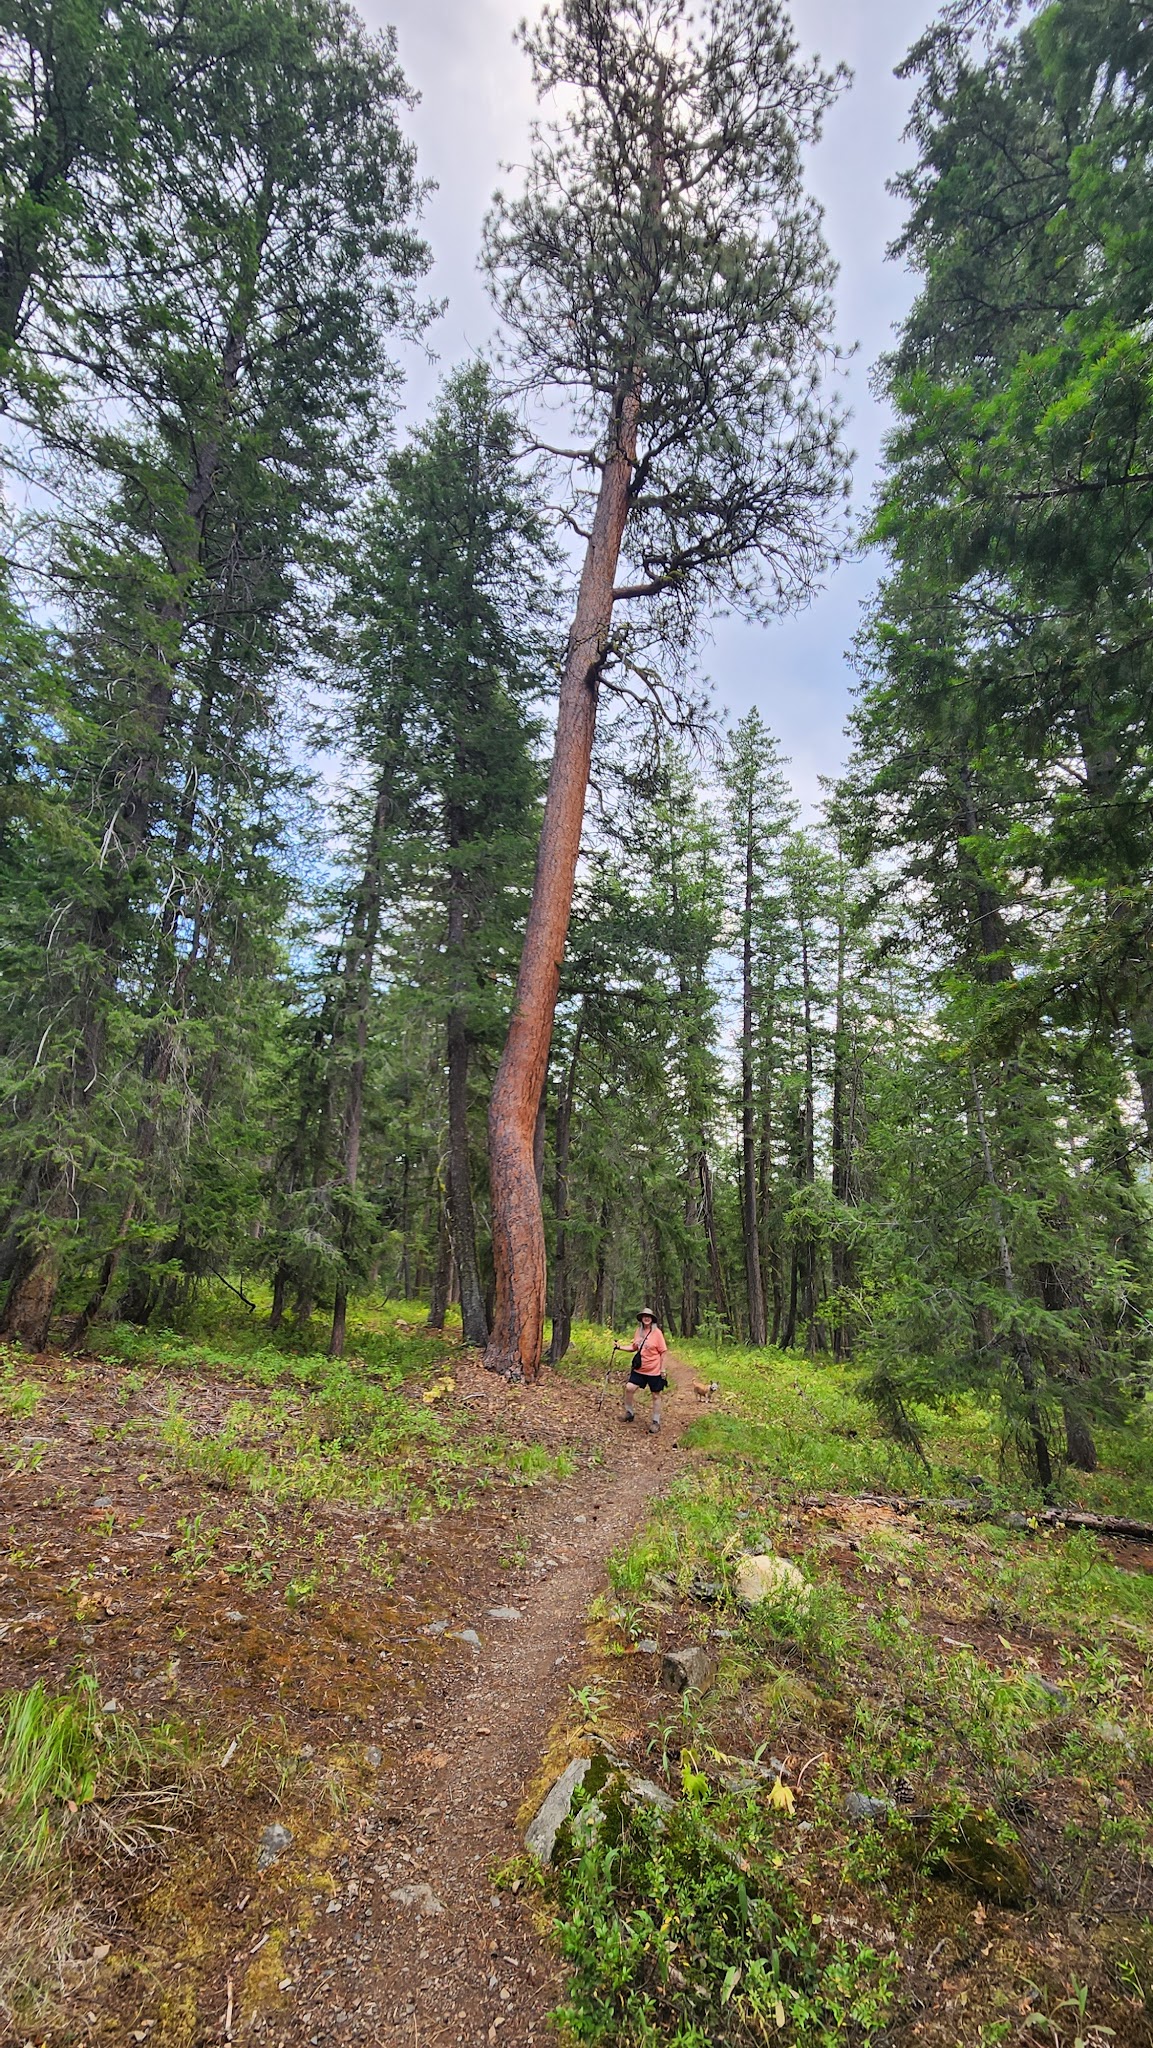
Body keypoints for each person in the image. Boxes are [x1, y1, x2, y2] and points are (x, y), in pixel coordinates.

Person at [621, 1308, 668, 1433]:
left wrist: (662, 1368)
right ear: (641, 1318)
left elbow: (663, 1351)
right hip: (639, 1369)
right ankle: (629, 1412)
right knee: (629, 1388)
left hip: (654, 1370)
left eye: (648, 1316)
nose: (646, 1318)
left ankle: (656, 1421)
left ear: (652, 1319)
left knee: (655, 1395)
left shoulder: (657, 1333)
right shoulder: (638, 1331)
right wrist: (619, 1347)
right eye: (644, 1316)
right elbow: (634, 1347)